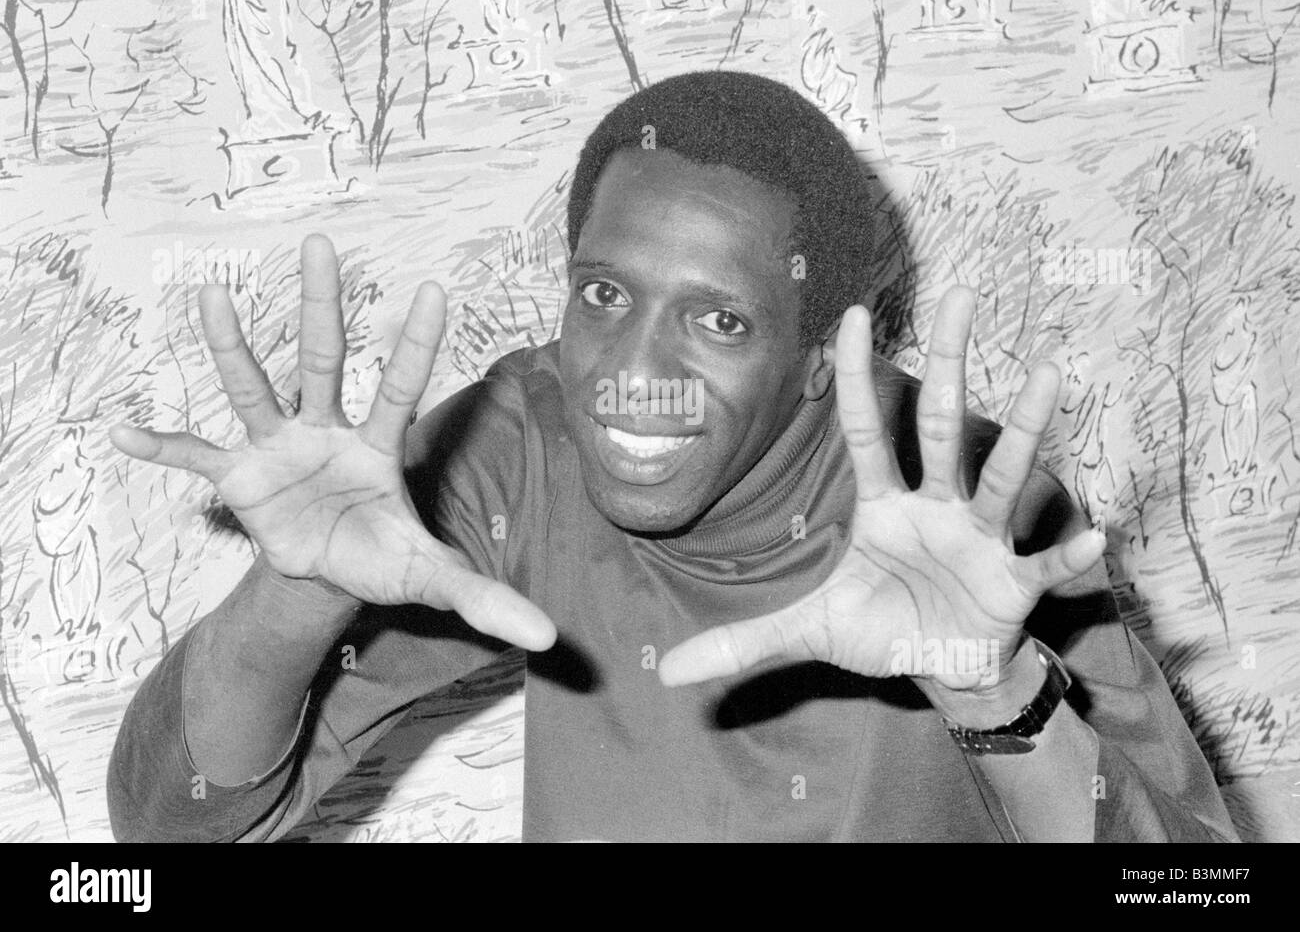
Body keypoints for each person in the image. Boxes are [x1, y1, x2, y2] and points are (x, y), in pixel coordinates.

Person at [106, 71, 1237, 842]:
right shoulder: (521, 450)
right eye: (604, 294)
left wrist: (991, 686)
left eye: (719, 321)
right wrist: (288, 594)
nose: (627, 374)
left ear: (818, 356)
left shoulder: (974, 506)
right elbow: (173, 826)